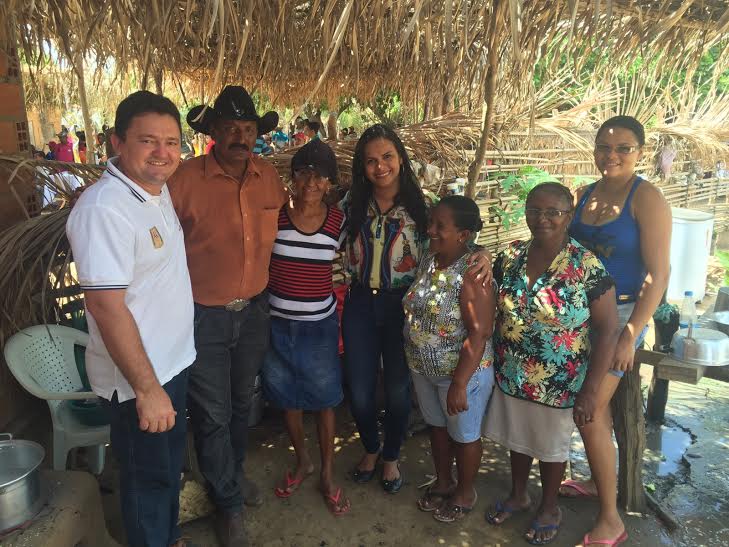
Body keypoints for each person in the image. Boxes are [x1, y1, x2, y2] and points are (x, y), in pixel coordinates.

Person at [66, 91, 196, 547]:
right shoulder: (105, 208)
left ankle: (169, 537)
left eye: (172, 142)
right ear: (118, 142)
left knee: (166, 473)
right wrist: (146, 389)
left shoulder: (154, 193)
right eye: (148, 141)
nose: (162, 152)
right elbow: (106, 306)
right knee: (147, 482)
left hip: (171, 366)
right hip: (140, 381)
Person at [342, 124, 491, 495]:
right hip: (360, 302)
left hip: (403, 307)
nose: (380, 167)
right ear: (362, 166)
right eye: (371, 160)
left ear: (401, 159)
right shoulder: (350, 204)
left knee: (396, 391)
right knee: (359, 391)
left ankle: (390, 455)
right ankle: (371, 448)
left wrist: (483, 253)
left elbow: (458, 238)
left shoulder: (422, 207)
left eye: (388, 157)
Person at [168, 85, 286, 547]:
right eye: (230, 128)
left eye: (248, 128)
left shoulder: (268, 177)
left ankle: (228, 480)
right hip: (203, 317)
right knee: (213, 414)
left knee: (241, 406)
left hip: (255, 312)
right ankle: (230, 504)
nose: (240, 136)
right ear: (213, 131)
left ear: (257, 132)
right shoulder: (184, 180)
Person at [483, 183, 618, 545]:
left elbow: (608, 330)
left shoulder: (585, 265)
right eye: (534, 211)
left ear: (568, 216)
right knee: (518, 437)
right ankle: (518, 494)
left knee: (551, 446)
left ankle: (549, 507)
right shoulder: (510, 255)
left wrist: (591, 389)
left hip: (560, 380)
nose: (541, 219)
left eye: (552, 212)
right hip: (512, 372)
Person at [563, 115, 671, 546]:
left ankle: (611, 519)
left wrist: (632, 334)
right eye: (604, 148)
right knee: (597, 414)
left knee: (589, 410)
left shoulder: (647, 199)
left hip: (623, 316)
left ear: (640, 152)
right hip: (580, 314)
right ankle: (596, 482)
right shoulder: (584, 194)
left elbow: (658, 276)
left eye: (624, 148)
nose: (612, 156)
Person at [263, 140, 350, 516]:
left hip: (319, 327)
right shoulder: (274, 217)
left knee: (325, 400)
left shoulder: (339, 223)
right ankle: (304, 462)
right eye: (304, 173)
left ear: (331, 184)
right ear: (293, 177)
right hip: (277, 326)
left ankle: (327, 473)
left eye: (321, 176)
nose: (312, 182)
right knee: (288, 399)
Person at [403, 195, 496, 522]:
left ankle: (465, 491)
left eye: (440, 226)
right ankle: (444, 483)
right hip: (424, 369)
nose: (431, 230)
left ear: (464, 235)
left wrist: (459, 383)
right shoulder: (431, 257)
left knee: (465, 435)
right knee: (438, 429)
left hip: (460, 374)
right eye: (431, 223)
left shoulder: (473, 273)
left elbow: (479, 333)